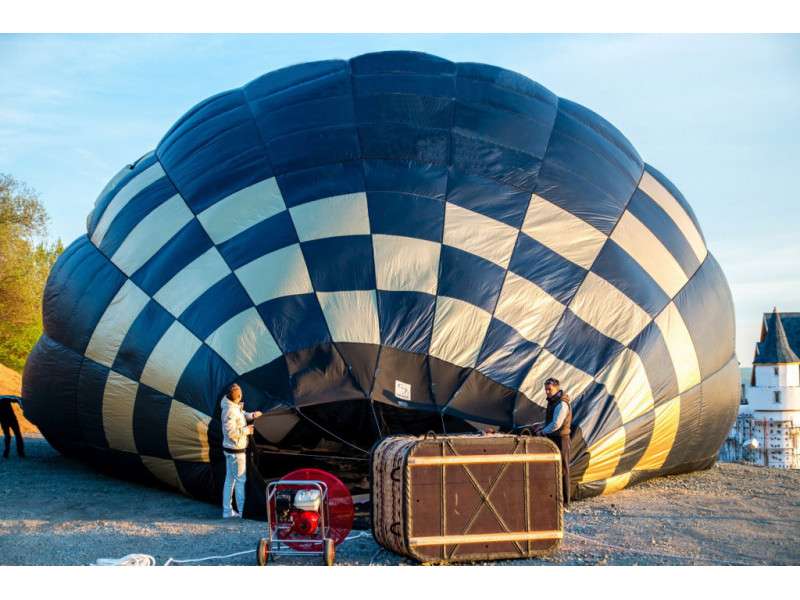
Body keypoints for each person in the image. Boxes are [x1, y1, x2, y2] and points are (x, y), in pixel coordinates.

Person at [220, 383, 262, 518]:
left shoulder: (231, 406)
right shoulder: (230, 411)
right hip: (236, 451)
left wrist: (252, 415)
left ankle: (227, 511)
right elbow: (231, 433)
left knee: (230, 481)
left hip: (230, 450)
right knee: (240, 481)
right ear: (238, 397)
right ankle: (243, 512)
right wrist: (246, 430)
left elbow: (241, 414)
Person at [532, 378, 571, 505]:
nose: (547, 392)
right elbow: (551, 421)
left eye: (549, 389)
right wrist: (541, 426)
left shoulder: (562, 404)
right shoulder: (553, 402)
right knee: (552, 468)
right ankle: (554, 499)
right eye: (546, 389)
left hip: (561, 440)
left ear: (557, 388)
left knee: (563, 470)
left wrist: (542, 432)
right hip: (553, 438)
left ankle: (565, 502)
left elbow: (556, 424)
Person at [1, 395, 26, 459]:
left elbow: (17, 399)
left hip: (10, 420)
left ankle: (8, 453)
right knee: (13, 435)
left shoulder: (4, 399)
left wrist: (21, 406)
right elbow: (17, 399)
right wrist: (21, 406)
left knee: (11, 435)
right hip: (8, 421)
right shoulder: (4, 399)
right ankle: (19, 452)